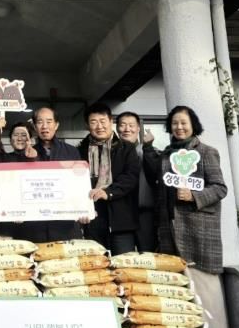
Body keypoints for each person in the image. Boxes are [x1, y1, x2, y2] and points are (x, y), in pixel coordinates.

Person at [143, 105, 231, 328]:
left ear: (193, 125)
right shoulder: (167, 155)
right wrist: (148, 148)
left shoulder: (206, 152)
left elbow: (220, 188)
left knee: (204, 284)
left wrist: (194, 195)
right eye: (174, 123)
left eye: (183, 123)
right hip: (169, 229)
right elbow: (154, 180)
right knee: (177, 290)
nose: (179, 127)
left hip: (198, 228)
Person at [77, 103, 141, 255]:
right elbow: (76, 184)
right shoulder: (79, 151)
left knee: (124, 263)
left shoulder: (126, 148)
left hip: (121, 220)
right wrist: (80, 209)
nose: (99, 126)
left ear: (111, 121)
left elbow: (131, 177)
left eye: (103, 121)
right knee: (96, 263)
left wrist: (108, 192)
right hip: (93, 218)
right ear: (87, 126)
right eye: (94, 122)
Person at [28, 106, 83, 242]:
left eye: (49, 121)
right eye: (40, 122)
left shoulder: (71, 152)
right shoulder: (27, 153)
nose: (44, 126)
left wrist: (83, 209)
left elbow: (79, 185)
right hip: (36, 226)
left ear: (56, 125)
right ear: (35, 126)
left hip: (66, 225)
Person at [116, 111, 157, 252]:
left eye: (131, 125)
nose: (127, 129)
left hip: (145, 214)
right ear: (117, 128)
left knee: (148, 256)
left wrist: (148, 148)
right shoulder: (111, 153)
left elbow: (155, 174)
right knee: (123, 257)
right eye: (123, 125)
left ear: (138, 128)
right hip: (121, 214)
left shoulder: (147, 150)